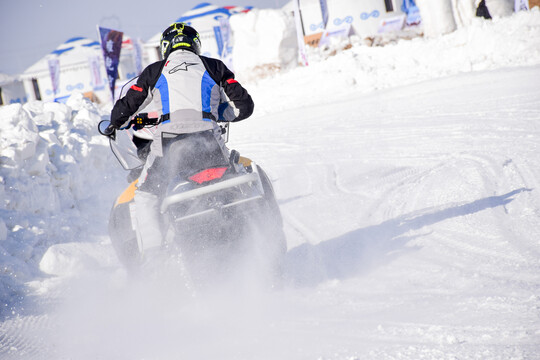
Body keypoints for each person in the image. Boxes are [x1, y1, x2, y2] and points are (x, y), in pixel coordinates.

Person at [103, 22, 254, 252]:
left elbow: (124, 109)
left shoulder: (154, 71)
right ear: (195, 44)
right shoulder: (214, 66)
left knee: (145, 194)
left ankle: (153, 258)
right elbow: (244, 107)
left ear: (166, 46)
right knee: (237, 172)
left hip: (169, 144)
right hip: (210, 141)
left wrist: (115, 124)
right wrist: (219, 113)